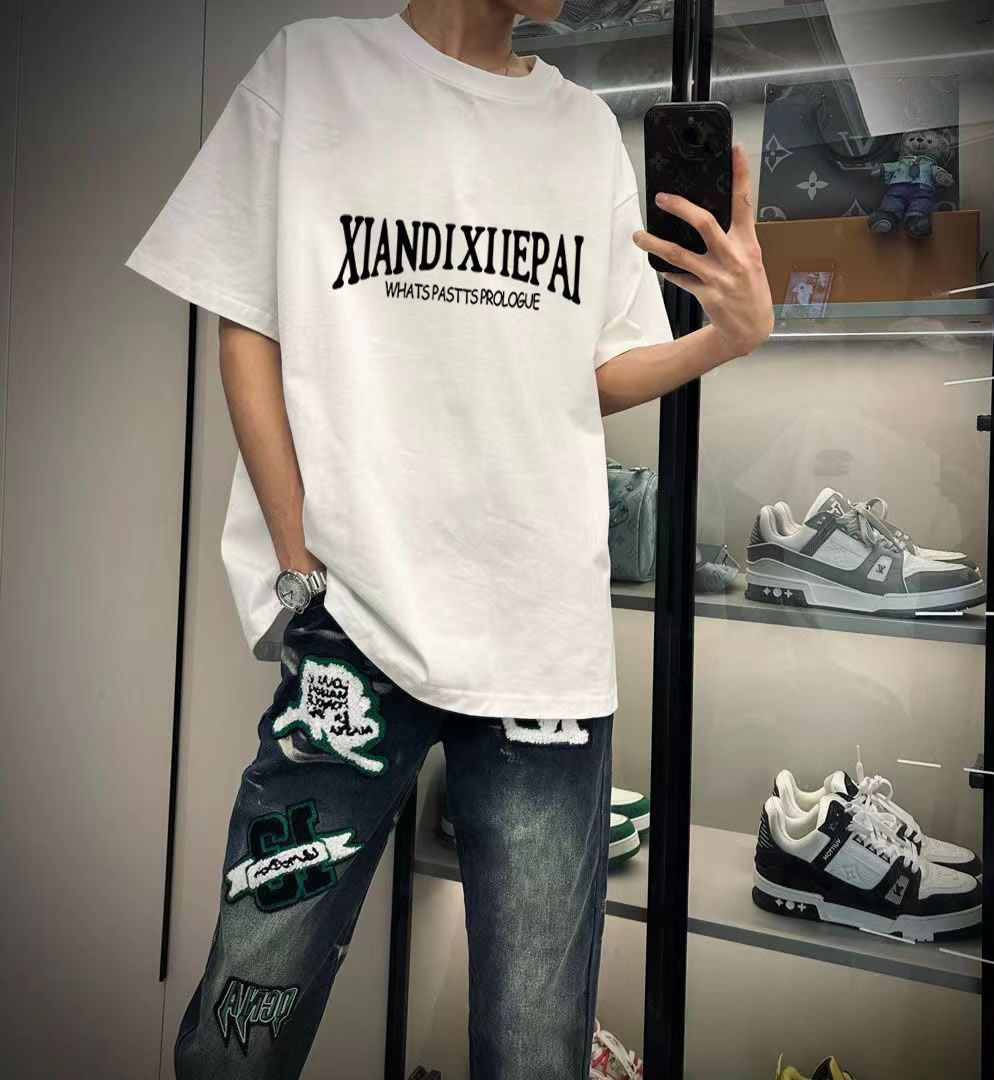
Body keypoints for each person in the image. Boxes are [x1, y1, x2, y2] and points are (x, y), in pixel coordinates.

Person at [124, 2, 772, 1077]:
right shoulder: (314, 70)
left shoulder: (582, 131)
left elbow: (598, 370)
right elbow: (247, 325)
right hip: (353, 630)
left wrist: (726, 338)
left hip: (541, 649)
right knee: (240, 1035)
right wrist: (297, 564)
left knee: (532, 1051)